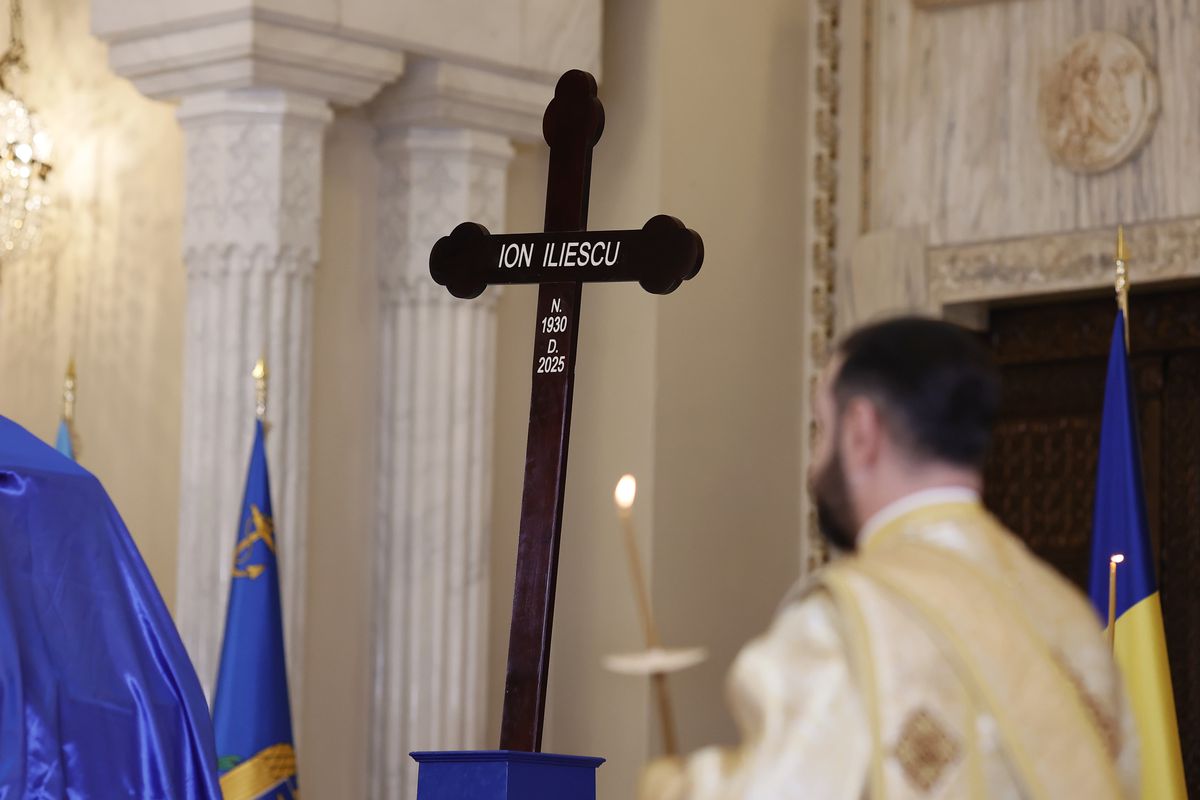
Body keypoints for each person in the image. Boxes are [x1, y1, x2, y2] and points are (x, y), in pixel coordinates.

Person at [640, 316, 1138, 799]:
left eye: (820, 429)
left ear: (860, 430)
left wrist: (669, 786)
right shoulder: (1069, 617)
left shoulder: (849, 621)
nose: (814, 467)